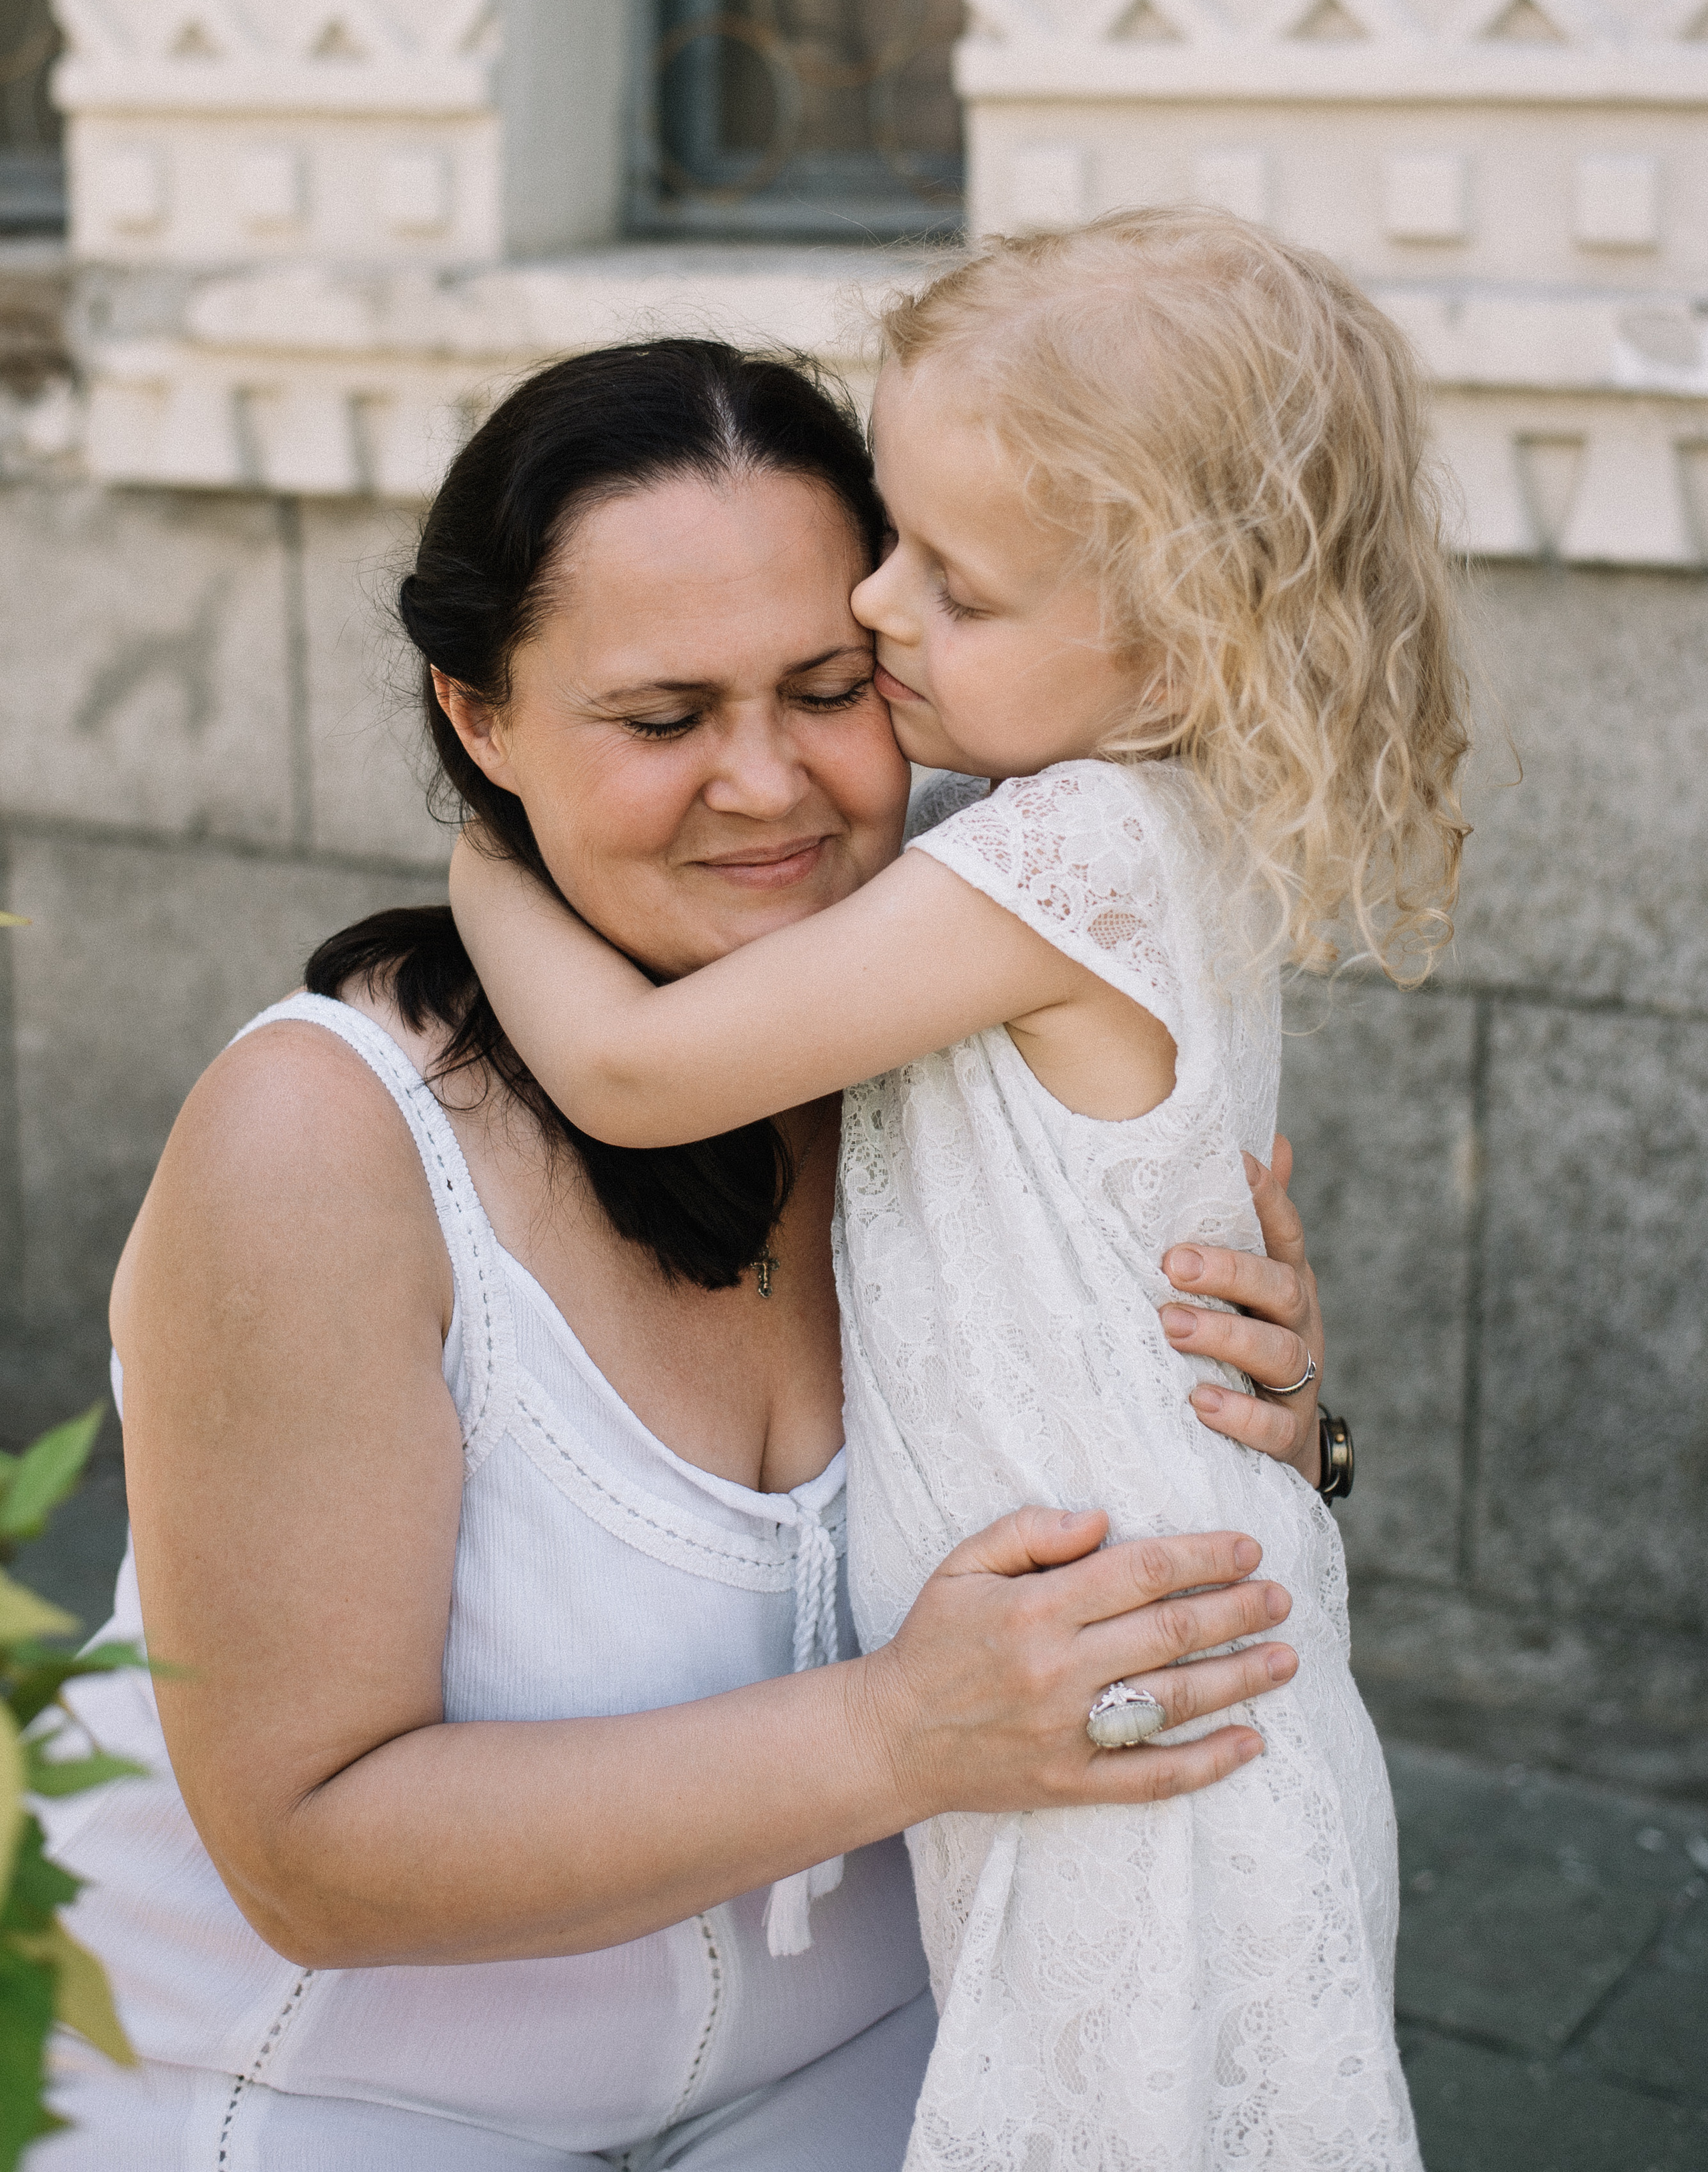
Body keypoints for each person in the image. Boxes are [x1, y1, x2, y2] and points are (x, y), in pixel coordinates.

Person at [47, 336, 1338, 2172]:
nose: (768, 786)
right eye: (663, 720)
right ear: (479, 718)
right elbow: (306, 1854)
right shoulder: (321, 1142)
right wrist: (903, 1732)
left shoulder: (978, 1015)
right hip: (302, 2091)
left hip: (884, 2057)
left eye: (832, 687)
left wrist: (1270, 1428)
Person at [450, 219, 1471, 2171]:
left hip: (1131, 1695)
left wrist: (487, 845)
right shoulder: (1098, 818)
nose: (880, 600)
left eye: (957, 583)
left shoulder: (1068, 850)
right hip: (1128, 1660)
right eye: (893, 540)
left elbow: (635, 1072)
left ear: (1186, 638)